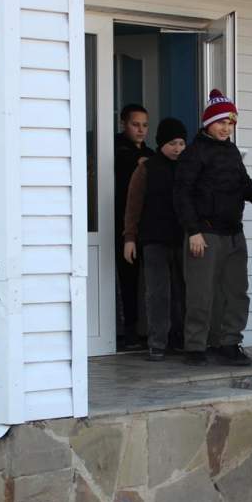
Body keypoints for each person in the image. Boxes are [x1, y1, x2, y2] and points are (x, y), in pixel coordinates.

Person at [173, 90, 252, 367]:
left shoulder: (231, 152)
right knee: (200, 293)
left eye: (230, 123)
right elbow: (182, 194)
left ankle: (229, 343)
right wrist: (193, 230)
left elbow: (245, 186)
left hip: (233, 234)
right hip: (204, 234)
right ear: (208, 122)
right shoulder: (194, 153)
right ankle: (195, 346)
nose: (226, 128)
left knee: (236, 292)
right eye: (221, 122)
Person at [123, 118, 188, 362]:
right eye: (172, 143)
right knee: (157, 293)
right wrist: (130, 238)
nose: (177, 149)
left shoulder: (188, 167)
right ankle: (157, 342)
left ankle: (180, 338)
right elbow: (133, 206)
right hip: (154, 240)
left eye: (181, 143)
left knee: (183, 291)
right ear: (161, 143)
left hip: (183, 239)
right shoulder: (147, 168)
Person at [114, 103, 154, 350]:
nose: (141, 130)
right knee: (126, 278)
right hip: (120, 222)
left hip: (146, 224)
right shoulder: (114, 149)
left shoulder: (149, 152)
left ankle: (146, 329)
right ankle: (128, 331)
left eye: (145, 125)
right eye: (135, 124)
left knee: (146, 279)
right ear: (123, 124)